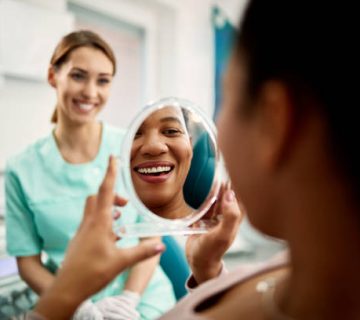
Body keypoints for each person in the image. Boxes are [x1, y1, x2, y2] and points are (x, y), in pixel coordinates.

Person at [25, 0, 360, 319]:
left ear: (276, 124)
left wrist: (60, 300)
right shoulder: (277, 278)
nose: (153, 146)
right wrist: (208, 270)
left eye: (226, 94)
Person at [5, 30, 175, 319]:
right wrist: (77, 306)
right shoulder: (21, 170)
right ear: (52, 76)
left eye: (103, 81)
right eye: (78, 76)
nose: (90, 92)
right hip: (69, 302)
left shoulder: (132, 148)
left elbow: (151, 240)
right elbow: (28, 264)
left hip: (142, 298)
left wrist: (128, 301)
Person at [131, 106, 194, 219]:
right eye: (134, 133)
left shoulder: (220, 228)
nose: (153, 147)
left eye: (171, 131)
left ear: (190, 146)